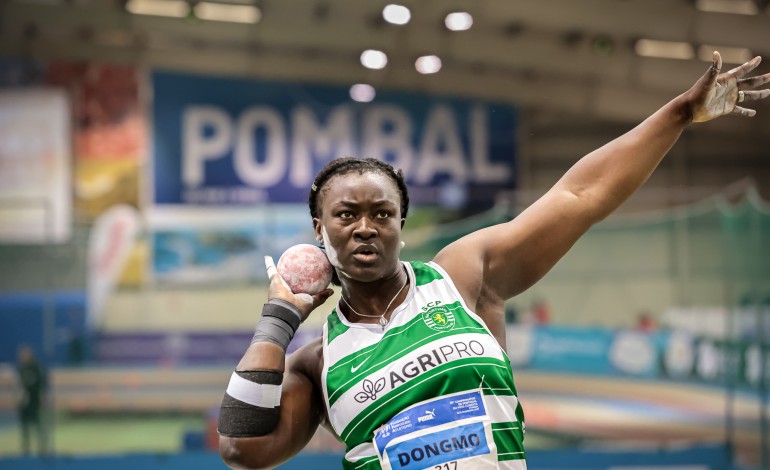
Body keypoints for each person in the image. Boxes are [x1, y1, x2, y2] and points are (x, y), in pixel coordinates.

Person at [217, 52, 770, 470]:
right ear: (320, 228)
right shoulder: (319, 361)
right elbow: (242, 448)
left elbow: (578, 196)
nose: (365, 226)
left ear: (401, 225)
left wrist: (676, 114)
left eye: (382, 213)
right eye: (346, 214)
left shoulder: (463, 277)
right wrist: (279, 319)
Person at [16, 345, 47, 456]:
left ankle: (42, 448)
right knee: (25, 427)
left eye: (24, 354)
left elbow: (40, 384)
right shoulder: (22, 369)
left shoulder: (35, 368)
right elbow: (19, 385)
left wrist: (40, 397)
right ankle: (26, 450)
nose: (22, 357)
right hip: (24, 402)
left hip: (34, 401)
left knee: (37, 424)